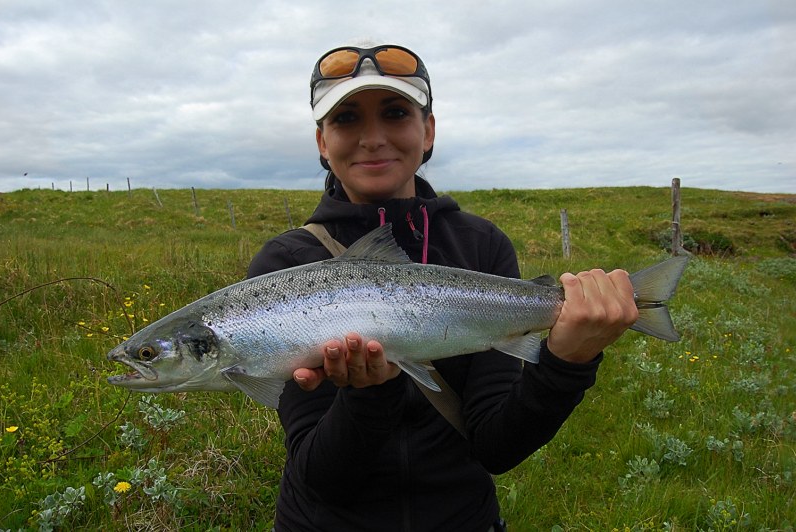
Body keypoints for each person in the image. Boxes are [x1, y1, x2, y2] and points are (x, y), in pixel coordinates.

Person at [247, 42, 638, 532]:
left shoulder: (482, 245)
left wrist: (568, 363)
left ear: (428, 131)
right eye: (346, 119)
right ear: (322, 142)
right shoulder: (284, 264)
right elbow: (322, 480)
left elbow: (497, 446)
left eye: (395, 113)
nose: (373, 138)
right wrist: (369, 396)